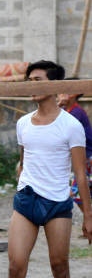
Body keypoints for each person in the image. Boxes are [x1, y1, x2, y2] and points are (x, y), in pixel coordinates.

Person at [0, 61, 92, 278]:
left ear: (52, 86)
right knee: (15, 267)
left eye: (36, 79)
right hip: (26, 200)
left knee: (59, 267)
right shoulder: (23, 123)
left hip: (57, 203)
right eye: (28, 79)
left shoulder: (71, 125)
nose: (30, 84)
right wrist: (23, 176)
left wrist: (88, 215)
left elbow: (79, 173)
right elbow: (24, 160)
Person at [57, 79, 92, 213]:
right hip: (85, 157)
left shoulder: (77, 113)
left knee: (77, 194)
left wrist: (59, 105)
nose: (60, 93)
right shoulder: (67, 110)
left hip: (88, 157)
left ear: (74, 93)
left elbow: (60, 128)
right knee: (79, 194)